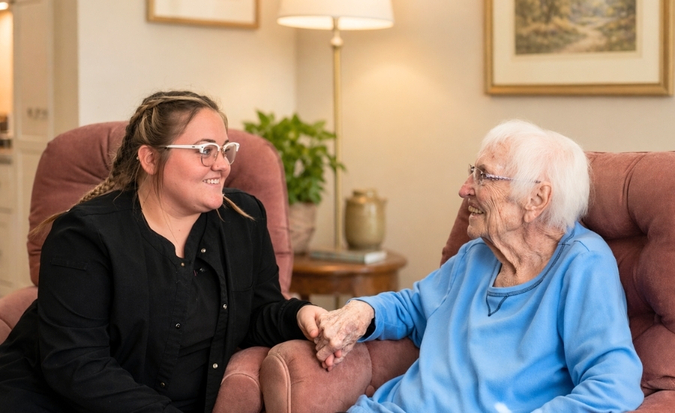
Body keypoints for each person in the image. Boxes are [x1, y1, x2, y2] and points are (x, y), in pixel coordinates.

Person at [0, 90, 326, 413]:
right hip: (55, 402)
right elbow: (77, 365)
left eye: (225, 150)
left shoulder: (242, 219)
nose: (222, 165)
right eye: (205, 150)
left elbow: (258, 311)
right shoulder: (84, 235)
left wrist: (298, 315)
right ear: (151, 159)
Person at [314, 120, 644, 412]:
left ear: (536, 199)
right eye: (472, 172)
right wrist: (361, 312)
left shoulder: (582, 265)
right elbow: (413, 307)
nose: (464, 189)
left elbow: (613, 385)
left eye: (483, 176)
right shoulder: (476, 256)